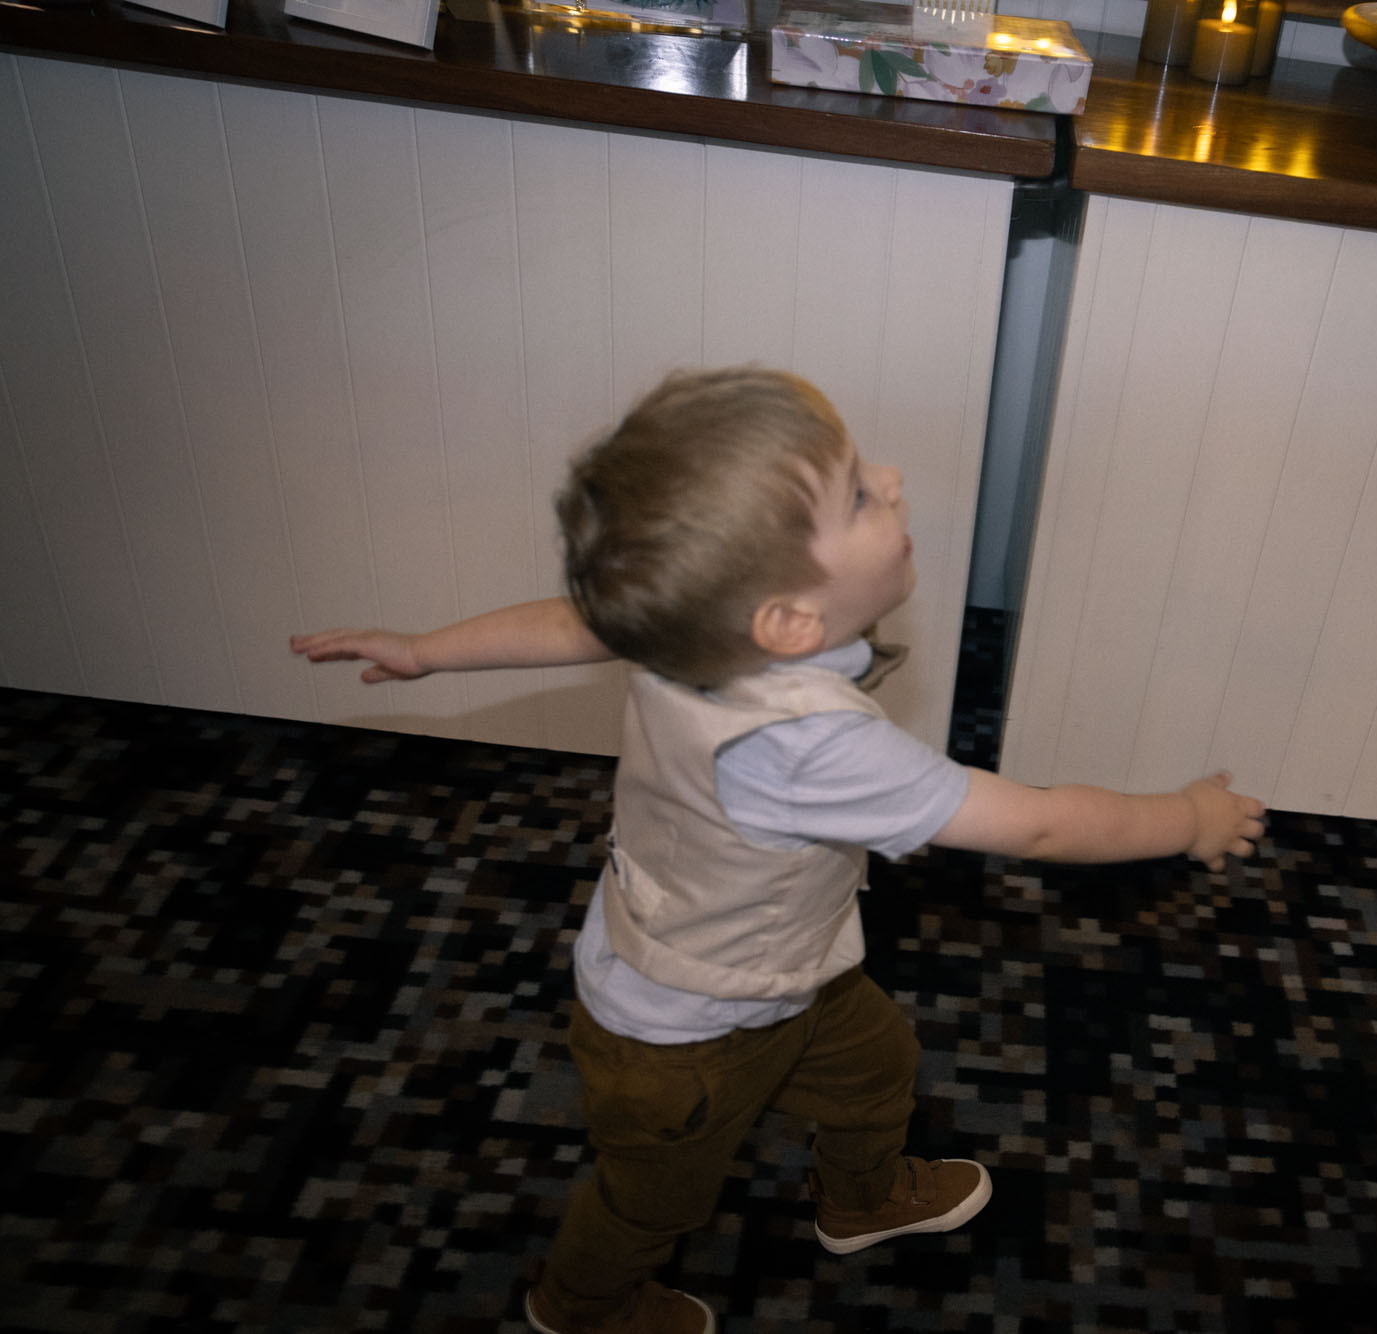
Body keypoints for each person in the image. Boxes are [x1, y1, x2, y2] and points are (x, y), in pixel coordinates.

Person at [291, 366, 1266, 1334]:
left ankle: (859, 1200)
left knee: (878, 1068)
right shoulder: (809, 744)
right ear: (790, 619)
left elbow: (570, 622)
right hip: (680, 1039)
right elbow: (1041, 822)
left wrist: (427, 649)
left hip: (783, 968)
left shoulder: (692, 622)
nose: (891, 479)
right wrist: (1187, 818)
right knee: (653, 1198)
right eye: (857, 495)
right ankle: (580, 1305)